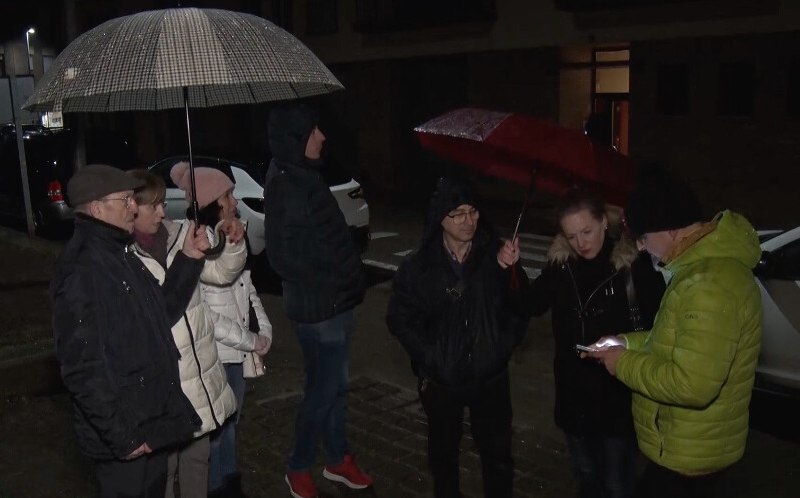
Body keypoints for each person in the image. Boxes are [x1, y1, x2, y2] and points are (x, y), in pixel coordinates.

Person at [585, 169, 762, 498]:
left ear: (669, 228)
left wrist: (621, 363)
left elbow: (691, 384)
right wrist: (623, 342)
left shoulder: (708, 285)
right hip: (691, 445)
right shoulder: (699, 271)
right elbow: (671, 342)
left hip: (692, 454)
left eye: (642, 236)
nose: (641, 247)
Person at [50, 164, 212, 498]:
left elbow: (159, 313)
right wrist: (123, 436)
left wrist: (188, 259)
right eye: (125, 200)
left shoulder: (119, 254)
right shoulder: (82, 270)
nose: (134, 207)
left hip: (149, 425)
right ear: (97, 209)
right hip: (127, 439)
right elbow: (82, 369)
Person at [504, 187, 666, 498]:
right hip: (573, 397)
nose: (581, 242)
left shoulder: (634, 267)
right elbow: (528, 304)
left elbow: (660, 329)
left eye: (587, 231)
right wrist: (510, 268)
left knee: (617, 485)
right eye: (572, 235)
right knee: (586, 476)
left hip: (618, 398)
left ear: (604, 221)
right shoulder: (562, 265)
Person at [127, 167, 262, 498]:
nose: (163, 211)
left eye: (162, 203)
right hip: (165, 381)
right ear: (131, 207)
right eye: (154, 205)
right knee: (165, 469)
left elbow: (221, 273)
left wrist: (232, 242)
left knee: (197, 460)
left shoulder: (179, 234)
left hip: (198, 377)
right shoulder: (124, 257)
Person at [386, 176, 525, 498]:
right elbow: (399, 318)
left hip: (490, 378)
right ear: (440, 218)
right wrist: (431, 357)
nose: (468, 221)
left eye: (473, 211)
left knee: (498, 457)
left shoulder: (495, 255)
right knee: (443, 457)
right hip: (442, 380)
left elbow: (520, 307)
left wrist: (502, 346)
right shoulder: (418, 266)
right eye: (458, 214)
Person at [264, 102, 370, 498]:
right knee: (323, 391)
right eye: (313, 130)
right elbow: (281, 257)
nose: (322, 137)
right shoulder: (285, 184)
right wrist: (331, 281)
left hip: (336, 305)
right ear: (295, 137)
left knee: (336, 387)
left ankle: (337, 458)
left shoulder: (304, 173)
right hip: (319, 310)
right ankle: (298, 466)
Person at [176, 164, 274, 498]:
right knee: (217, 433)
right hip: (216, 356)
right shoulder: (199, 245)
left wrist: (264, 330)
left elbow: (246, 289)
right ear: (211, 202)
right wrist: (250, 340)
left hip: (236, 354)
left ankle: (230, 482)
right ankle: (218, 488)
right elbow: (210, 314)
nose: (234, 201)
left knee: (230, 426)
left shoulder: (228, 236)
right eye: (227, 195)